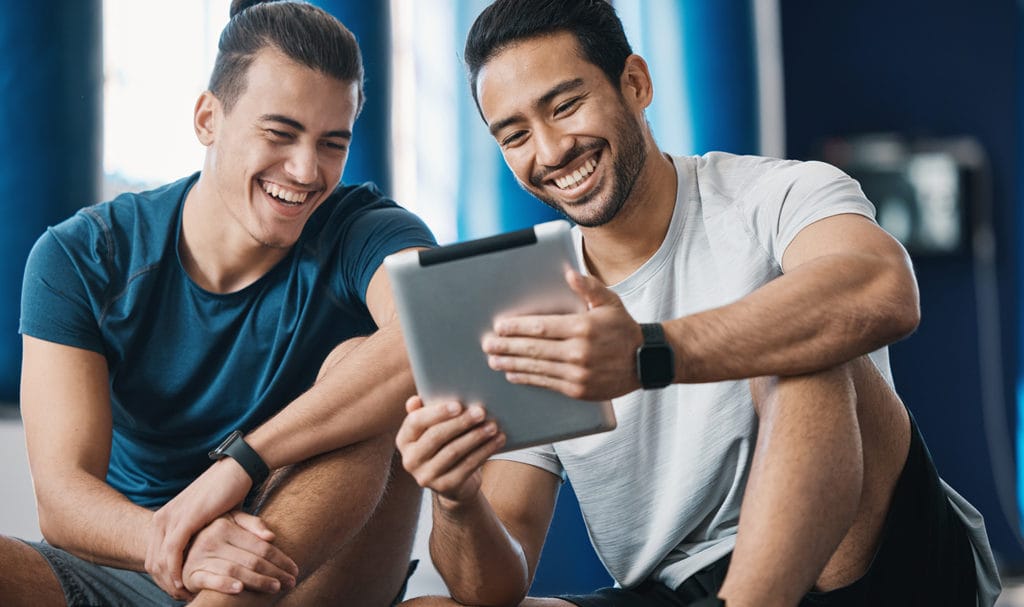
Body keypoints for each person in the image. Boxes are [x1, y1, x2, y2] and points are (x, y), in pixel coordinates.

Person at [396, 1, 1001, 606]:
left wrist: (648, 352)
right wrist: (456, 499)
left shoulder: (778, 193)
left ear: (635, 83)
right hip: (679, 590)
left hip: (871, 564)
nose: (550, 151)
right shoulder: (534, 307)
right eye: (517, 135)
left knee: (796, 340)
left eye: (565, 106)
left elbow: (883, 288)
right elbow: (494, 589)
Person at [0, 1, 435, 605]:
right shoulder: (82, 256)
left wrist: (244, 463)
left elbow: (430, 329)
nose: (307, 170)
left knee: (365, 361)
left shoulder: (367, 230)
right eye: (279, 133)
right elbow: (62, 499)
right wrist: (176, 538)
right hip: (144, 559)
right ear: (208, 118)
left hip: (306, 576)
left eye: (332, 143)